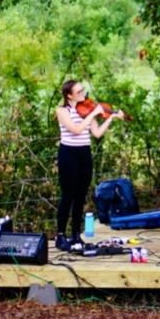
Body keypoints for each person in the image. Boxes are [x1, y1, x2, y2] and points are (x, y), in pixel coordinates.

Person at [55, 80, 124, 252]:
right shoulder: (62, 111)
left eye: (83, 91)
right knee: (67, 195)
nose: (83, 94)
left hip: (84, 153)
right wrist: (93, 114)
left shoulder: (87, 109)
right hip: (68, 154)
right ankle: (60, 235)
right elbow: (76, 129)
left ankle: (76, 234)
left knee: (80, 196)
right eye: (79, 92)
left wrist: (111, 118)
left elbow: (97, 133)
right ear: (69, 95)